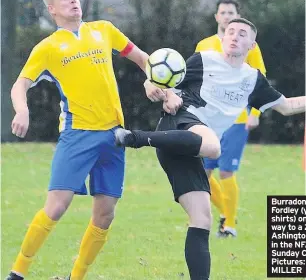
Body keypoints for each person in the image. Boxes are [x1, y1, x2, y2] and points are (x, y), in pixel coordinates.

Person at [115, 18, 305, 280]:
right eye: (230, 32)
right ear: (223, 37)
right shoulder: (203, 60)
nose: (235, 36)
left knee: (202, 219)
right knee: (214, 147)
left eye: (242, 34)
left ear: (252, 44)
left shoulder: (253, 79)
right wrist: (157, 89)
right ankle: (135, 138)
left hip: (188, 147)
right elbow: (161, 80)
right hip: (179, 125)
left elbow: (287, 106)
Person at [6, 0, 166, 280]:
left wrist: (152, 79)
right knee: (56, 208)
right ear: (52, 9)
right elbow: (20, 84)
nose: (73, 1)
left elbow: (144, 59)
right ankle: (18, 272)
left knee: (105, 214)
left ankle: (76, 277)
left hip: (115, 136)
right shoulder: (48, 47)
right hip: (77, 134)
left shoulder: (103, 30)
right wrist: (22, 109)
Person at [195, 0, 267, 237]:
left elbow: (260, 80)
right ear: (216, 17)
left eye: (231, 13)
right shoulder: (204, 45)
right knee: (202, 173)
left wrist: (255, 112)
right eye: (223, 12)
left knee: (226, 171)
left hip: (236, 120)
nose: (226, 16)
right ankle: (225, 212)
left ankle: (229, 226)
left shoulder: (249, 46)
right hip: (208, 120)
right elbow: (195, 79)